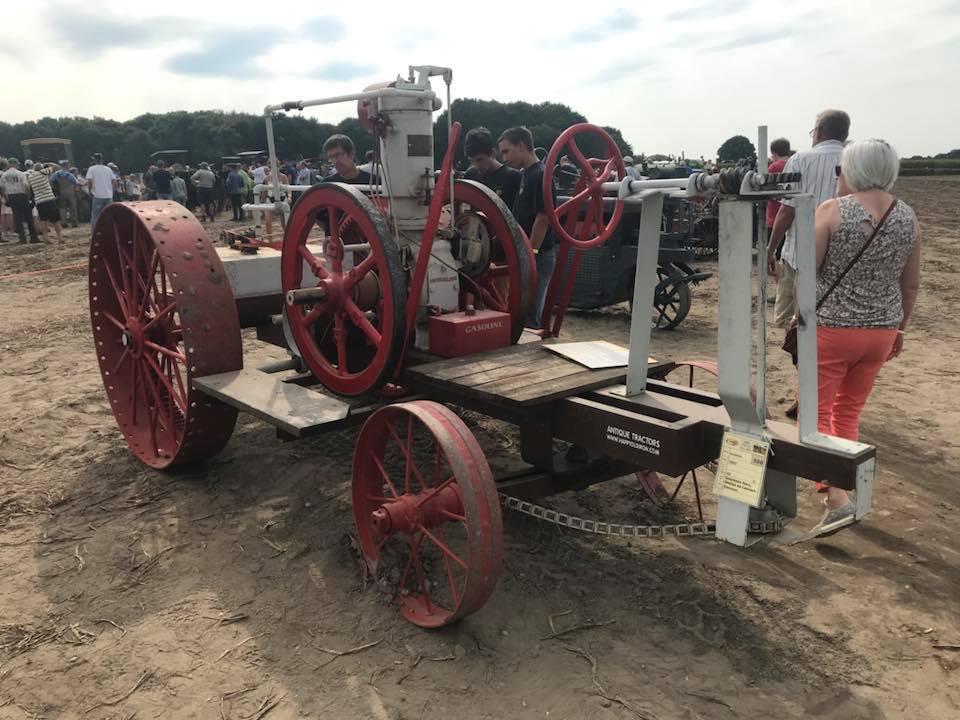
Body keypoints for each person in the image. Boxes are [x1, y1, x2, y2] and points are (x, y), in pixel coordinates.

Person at [808, 139, 920, 533]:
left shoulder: (832, 211)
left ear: (850, 170)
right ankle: (843, 487)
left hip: (833, 329)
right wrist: (900, 328)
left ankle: (836, 497)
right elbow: (910, 285)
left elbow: (808, 274)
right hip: (883, 330)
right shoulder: (907, 216)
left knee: (816, 414)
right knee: (848, 411)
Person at [767, 110, 849, 329]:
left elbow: (787, 212)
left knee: (791, 320)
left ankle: (802, 358)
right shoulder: (853, 159)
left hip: (799, 253)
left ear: (819, 132)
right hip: (843, 255)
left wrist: (770, 249)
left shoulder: (802, 159)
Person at [498, 126, 557, 329]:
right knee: (523, 310)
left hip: (538, 255)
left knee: (530, 315)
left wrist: (530, 253)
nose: (504, 158)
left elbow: (543, 218)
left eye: (506, 151)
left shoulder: (540, 175)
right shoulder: (528, 174)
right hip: (531, 253)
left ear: (521, 145)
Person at [463, 127, 522, 210]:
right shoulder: (470, 176)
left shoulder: (515, 178)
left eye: (480, 160)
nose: (476, 166)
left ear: (492, 153)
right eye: (471, 161)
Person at [764, 138, 792, 303]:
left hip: (775, 217)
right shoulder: (793, 164)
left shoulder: (774, 167)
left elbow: (768, 191)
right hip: (791, 217)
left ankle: (780, 293)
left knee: (775, 257)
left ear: (774, 152)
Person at [1, 158, 40, 243]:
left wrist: (6, 197)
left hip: (11, 197)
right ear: (14, 164)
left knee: (17, 218)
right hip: (22, 196)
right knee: (28, 217)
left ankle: (22, 239)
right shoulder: (20, 173)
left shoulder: (4, 175)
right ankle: (33, 237)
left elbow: (2, 188)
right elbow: (26, 186)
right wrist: (29, 197)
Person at [26, 161, 63, 243]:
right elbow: (56, 167)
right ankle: (60, 237)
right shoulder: (44, 172)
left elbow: (29, 189)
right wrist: (46, 163)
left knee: (43, 220)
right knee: (55, 220)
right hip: (49, 199)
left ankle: (46, 238)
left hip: (39, 201)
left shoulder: (30, 177)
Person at [86, 154, 116, 227]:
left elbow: (90, 181)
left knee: (95, 216)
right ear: (102, 160)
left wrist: (89, 191)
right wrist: (112, 191)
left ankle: (95, 234)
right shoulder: (108, 169)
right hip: (108, 195)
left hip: (97, 195)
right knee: (108, 215)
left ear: (94, 160)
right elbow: (114, 181)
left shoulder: (91, 169)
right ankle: (109, 231)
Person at [49, 161, 80, 227]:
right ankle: (74, 223)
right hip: (71, 193)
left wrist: (55, 189)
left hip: (61, 193)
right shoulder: (70, 174)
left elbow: (50, 181)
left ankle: (64, 223)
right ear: (66, 166)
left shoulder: (56, 174)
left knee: (62, 208)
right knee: (73, 208)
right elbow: (76, 183)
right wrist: (76, 192)